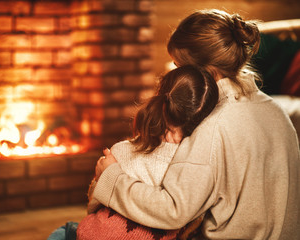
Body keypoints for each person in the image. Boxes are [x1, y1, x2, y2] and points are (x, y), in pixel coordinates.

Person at [93, 9, 300, 240]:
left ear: (202, 73)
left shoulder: (211, 125)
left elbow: (172, 210)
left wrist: (111, 177)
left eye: (178, 65)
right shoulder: (275, 110)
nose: (174, 73)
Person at [48, 65, 219, 240]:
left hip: (94, 235)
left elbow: (93, 203)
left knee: (65, 231)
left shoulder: (121, 152)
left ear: (161, 103)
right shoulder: (202, 165)